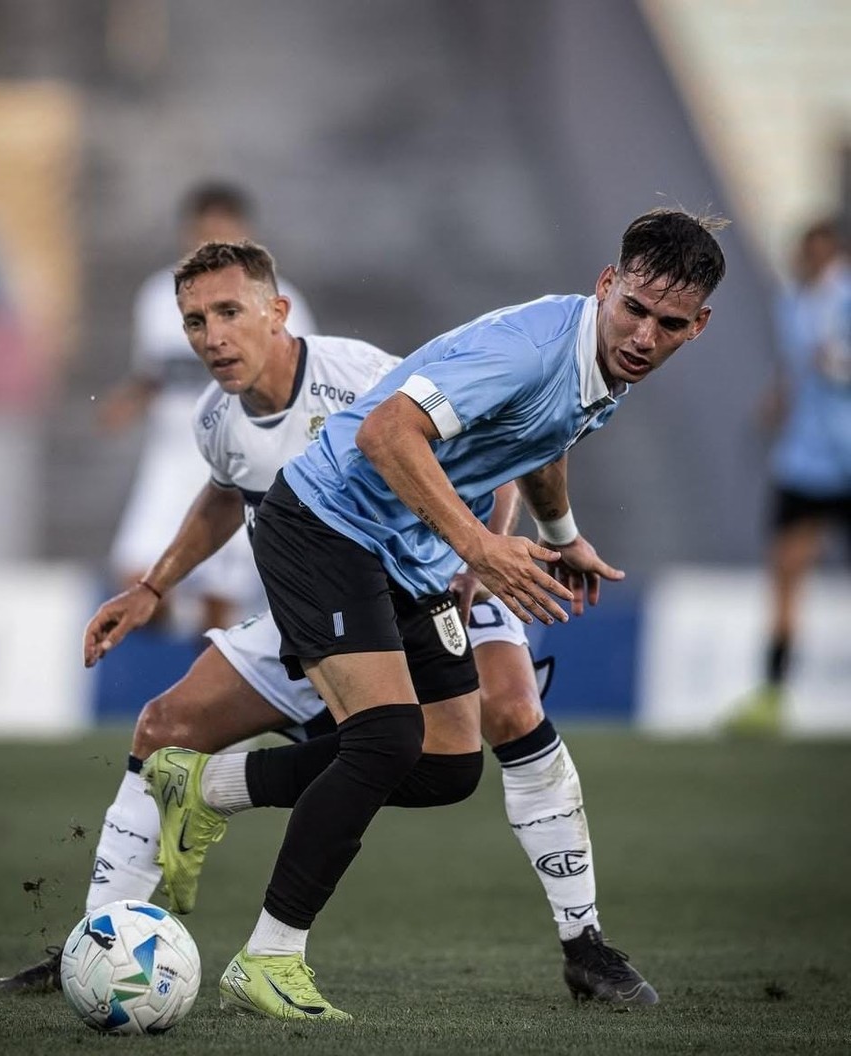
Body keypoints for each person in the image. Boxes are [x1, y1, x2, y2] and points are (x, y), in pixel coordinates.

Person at [0, 240, 655, 1008]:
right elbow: (220, 496)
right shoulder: (217, 421)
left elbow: (494, 440)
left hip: (441, 564)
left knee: (490, 722)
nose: (211, 337)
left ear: (278, 312)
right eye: (193, 321)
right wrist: (153, 587)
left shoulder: (363, 373)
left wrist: (483, 553)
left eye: (228, 313)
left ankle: (586, 945)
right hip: (322, 581)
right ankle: (99, 944)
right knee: (165, 724)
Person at [143, 209, 726, 1022]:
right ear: (607, 286)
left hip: (401, 552)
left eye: (668, 324)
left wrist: (564, 537)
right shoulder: (529, 346)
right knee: (383, 738)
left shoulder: (599, 368)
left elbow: (542, 442)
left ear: (696, 328)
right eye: (632, 309)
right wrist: (482, 549)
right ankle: (269, 956)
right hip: (324, 523)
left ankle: (209, 786)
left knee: (448, 764)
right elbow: (387, 432)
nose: (642, 334)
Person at [101, 181, 316, 632]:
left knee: (222, 595)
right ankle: (200, 625)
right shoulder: (159, 297)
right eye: (203, 232)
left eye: (223, 234)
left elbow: (302, 377)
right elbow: (159, 371)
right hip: (171, 459)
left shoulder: (275, 301)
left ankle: (221, 656)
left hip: (237, 458)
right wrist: (130, 401)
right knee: (136, 578)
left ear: (245, 235)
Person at [725, 219, 851, 733]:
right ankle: (773, 695)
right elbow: (796, 367)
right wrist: (778, 400)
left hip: (846, 458)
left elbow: (832, 363)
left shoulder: (844, 298)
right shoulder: (792, 303)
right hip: (803, 460)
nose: (805, 258)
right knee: (785, 574)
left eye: (812, 249)